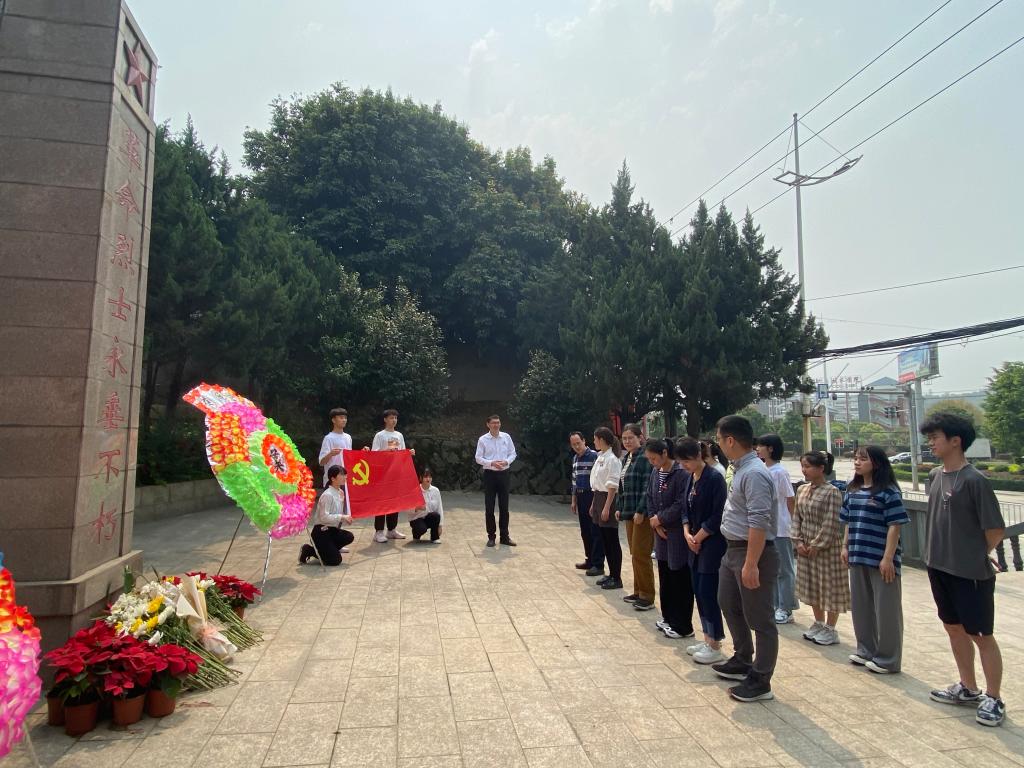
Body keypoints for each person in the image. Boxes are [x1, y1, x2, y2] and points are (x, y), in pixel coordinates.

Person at [920, 412, 1005, 727]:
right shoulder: (935, 475)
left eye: (935, 438)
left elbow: (995, 530)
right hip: (938, 566)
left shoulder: (975, 481)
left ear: (955, 441)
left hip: (971, 573)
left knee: (981, 634)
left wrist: (976, 554)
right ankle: (968, 687)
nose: (931, 444)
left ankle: (994, 697)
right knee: (953, 628)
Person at [711, 414, 779, 703]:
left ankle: (761, 679)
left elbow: (759, 521)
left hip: (752, 552)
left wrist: (751, 563)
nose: (717, 444)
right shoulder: (740, 469)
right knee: (727, 602)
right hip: (733, 550)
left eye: (718, 439)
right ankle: (742, 658)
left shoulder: (754, 473)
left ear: (730, 440)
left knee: (760, 618)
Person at [841, 446, 909, 674]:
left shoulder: (889, 492)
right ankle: (865, 650)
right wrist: (845, 546)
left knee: (886, 610)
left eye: (863, 459)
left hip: (881, 559)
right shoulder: (852, 490)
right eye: (855, 458)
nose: (857, 462)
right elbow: (848, 521)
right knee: (861, 607)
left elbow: (895, 526)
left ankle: (888, 659)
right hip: (858, 554)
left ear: (877, 463)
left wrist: (888, 558)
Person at [677, 438, 727, 664]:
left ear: (698, 456)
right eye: (681, 462)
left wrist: (698, 536)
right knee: (698, 590)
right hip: (693, 543)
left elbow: (718, 514)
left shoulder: (714, 478)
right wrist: (687, 532)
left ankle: (715, 642)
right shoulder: (691, 478)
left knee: (708, 593)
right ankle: (707, 637)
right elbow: (684, 510)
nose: (684, 466)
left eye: (686, 461)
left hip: (711, 544)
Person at [793, 451, 849, 646]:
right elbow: (796, 517)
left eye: (808, 466)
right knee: (812, 585)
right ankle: (818, 622)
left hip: (827, 549)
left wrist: (817, 544)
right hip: (805, 546)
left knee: (829, 587)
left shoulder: (832, 492)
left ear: (821, 468)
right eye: (803, 466)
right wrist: (798, 541)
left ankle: (831, 628)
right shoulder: (802, 490)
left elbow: (831, 522)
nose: (804, 470)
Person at [644, 437, 693, 639]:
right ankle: (668, 617)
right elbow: (649, 496)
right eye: (649, 459)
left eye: (654, 458)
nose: (652, 463)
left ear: (665, 453)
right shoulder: (656, 472)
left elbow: (681, 503)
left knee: (679, 577)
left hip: (676, 533)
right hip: (661, 532)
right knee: (665, 575)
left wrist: (661, 518)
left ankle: (683, 624)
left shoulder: (681, 473)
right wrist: (654, 521)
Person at [755, 434, 798, 625]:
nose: (758, 449)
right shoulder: (763, 469)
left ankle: (786, 608)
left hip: (781, 528)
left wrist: (794, 525)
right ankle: (774, 604)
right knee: (771, 569)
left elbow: (790, 499)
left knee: (784, 570)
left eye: (761, 446)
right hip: (767, 528)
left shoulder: (780, 472)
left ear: (771, 448)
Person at [618, 424, 655, 611]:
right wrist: (620, 507)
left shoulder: (644, 458)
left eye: (630, 438)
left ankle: (647, 596)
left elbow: (647, 488)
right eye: (624, 438)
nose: (627, 441)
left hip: (641, 514)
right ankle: (638, 590)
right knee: (635, 553)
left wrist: (641, 510)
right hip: (629, 512)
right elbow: (622, 486)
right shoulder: (627, 458)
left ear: (640, 438)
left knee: (641, 554)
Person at [368, 409, 413, 543]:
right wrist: (386, 450)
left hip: (395, 473)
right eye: (391, 418)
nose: (394, 420)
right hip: (382, 474)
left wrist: (409, 452)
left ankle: (392, 529)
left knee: (394, 501)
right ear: (385, 419)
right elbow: (373, 453)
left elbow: (402, 452)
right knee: (381, 503)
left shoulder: (399, 435)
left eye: (395, 418)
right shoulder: (380, 435)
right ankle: (378, 531)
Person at [589, 427, 624, 590]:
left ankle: (616, 576)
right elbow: (597, 482)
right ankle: (610, 574)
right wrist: (594, 504)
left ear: (602, 440)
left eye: (595, 439)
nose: (594, 442)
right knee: (604, 539)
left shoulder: (612, 459)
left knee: (612, 540)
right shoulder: (600, 456)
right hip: (598, 497)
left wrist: (607, 507)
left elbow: (612, 485)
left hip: (607, 499)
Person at [475, 415, 517, 547]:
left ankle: (504, 536)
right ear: (488, 424)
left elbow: (513, 453)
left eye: (498, 422)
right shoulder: (483, 439)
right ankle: (491, 537)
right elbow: (478, 458)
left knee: (504, 507)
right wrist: (491, 463)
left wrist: (506, 461)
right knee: (489, 507)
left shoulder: (506, 437)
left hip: (504, 474)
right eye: (493, 423)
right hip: (490, 475)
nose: (496, 425)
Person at [300, 465, 354, 566]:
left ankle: (328, 549)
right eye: (342, 475)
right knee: (335, 560)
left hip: (332, 530)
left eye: (345, 475)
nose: (345, 477)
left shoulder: (340, 492)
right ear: (333, 478)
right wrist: (342, 517)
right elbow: (324, 517)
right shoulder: (327, 495)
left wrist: (345, 518)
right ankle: (309, 550)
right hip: (321, 532)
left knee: (349, 536)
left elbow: (336, 513)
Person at [569, 432, 604, 576]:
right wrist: (573, 500)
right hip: (580, 495)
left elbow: (598, 479)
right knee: (585, 531)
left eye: (578, 443)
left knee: (595, 530)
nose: (577, 446)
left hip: (592, 495)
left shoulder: (594, 456)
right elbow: (574, 480)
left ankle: (598, 563)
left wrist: (595, 501)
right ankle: (589, 559)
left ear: (584, 441)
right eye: (573, 444)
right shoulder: (575, 458)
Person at [318, 407, 352, 487]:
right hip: (332, 480)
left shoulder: (348, 437)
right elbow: (321, 462)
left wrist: (361, 452)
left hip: (345, 480)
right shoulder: (328, 438)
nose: (344, 420)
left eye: (345, 418)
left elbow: (350, 458)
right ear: (333, 420)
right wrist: (330, 454)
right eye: (341, 418)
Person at [409, 467, 443, 543]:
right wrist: (416, 508)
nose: (428, 479)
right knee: (421, 528)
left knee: (436, 515)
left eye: (430, 477)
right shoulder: (415, 491)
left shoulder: (436, 490)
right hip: (416, 518)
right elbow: (407, 509)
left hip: (428, 517)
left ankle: (434, 537)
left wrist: (440, 525)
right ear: (420, 478)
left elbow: (439, 508)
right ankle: (416, 534)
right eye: (425, 477)